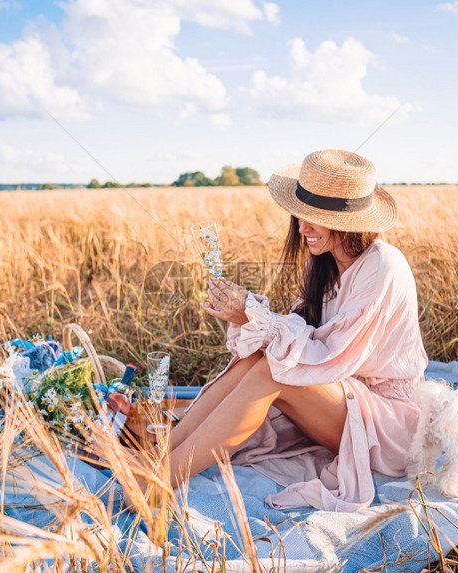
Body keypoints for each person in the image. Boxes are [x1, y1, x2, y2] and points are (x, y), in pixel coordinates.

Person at [163, 149, 428, 511]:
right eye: (300, 216)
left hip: (387, 424)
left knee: (275, 372)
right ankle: (161, 454)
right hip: (343, 403)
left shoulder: (383, 266)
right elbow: (297, 340)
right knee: (261, 359)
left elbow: (331, 357)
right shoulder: (322, 266)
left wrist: (257, 317)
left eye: (315, 218)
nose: (302, 229)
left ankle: (157, 480)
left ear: (349, 221)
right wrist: (245, 319)